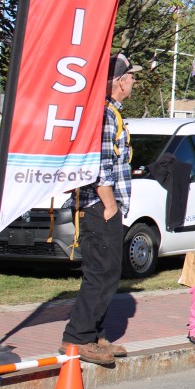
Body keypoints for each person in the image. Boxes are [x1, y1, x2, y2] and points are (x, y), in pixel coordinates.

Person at [59, 53, 141, 365]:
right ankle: (77, 337)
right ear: (119, 81)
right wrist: (110, 204)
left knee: (109, 273)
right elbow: (100, 164)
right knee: (100, 273)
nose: (134, 80)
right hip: (97, 206)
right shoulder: (104, 115)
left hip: (102, 206)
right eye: (131, 75)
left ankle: (94, 335)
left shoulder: (111, 112)